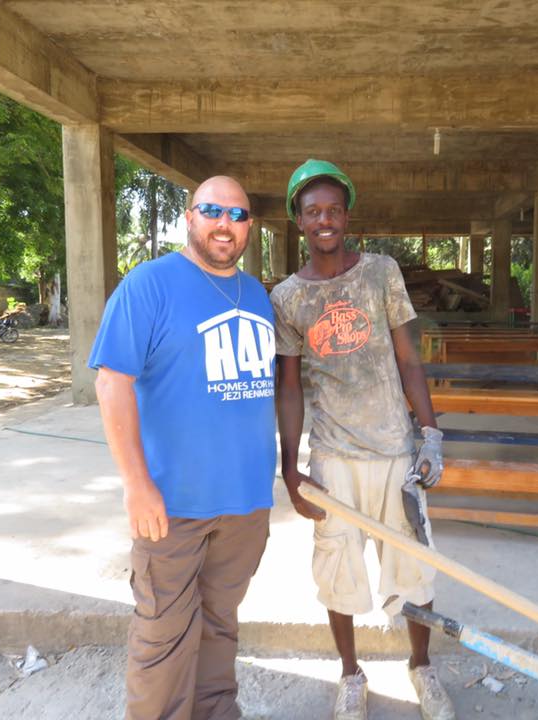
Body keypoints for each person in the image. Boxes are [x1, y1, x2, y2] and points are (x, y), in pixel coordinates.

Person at [271, 159, 455, 720]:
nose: (324, 219)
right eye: (313, 211)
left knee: (414, 567)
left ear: (347, 216)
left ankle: (422, 667)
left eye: (333, 209)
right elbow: (290, 389)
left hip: (395, 449)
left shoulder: (380, 273)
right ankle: (351, 674)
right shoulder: (287, 297)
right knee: (337, 571)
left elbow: (409, 360)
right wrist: (291, 468)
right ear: (299, 221)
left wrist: (430, 435)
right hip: (333, 458)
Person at [90, 176, 276, 720]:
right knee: (164, 637)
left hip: (245, 504)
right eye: (212, 211)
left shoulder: (257, 295)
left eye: (238, 215)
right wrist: (137, 485)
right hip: (172, 504)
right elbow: (112, 383)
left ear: (249, 227)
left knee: (219, 626)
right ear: (189, 217)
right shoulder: (149, 285)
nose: (225, 224)